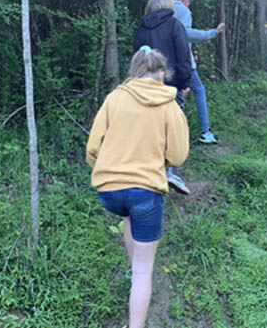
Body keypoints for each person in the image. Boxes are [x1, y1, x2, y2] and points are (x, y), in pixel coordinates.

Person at [86, 46, 189, 328]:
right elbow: (178, 156)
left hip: (109, 191)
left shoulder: (115, 98)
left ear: (134, 72)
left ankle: (133, 276)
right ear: (162, 74)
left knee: (130, 218)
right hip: (145, 190)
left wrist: (107, 168)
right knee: (146, 270)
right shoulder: (169, 104)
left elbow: (93, 148)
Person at [133, 0, 192, 194]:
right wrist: (184, 82)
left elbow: (137, 60)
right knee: (175, 128)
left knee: (152, 128)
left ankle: (151, 171)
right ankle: (172, 172)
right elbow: (184, 56)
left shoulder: (140, 29)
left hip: (145, 87)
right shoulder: (174, 25)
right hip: (171, 85)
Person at [170, 0, 225, 144]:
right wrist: (213, 32)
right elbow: (186, 34)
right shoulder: (183, 10)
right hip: (184, 61)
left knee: (172, 96)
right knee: (199, 90)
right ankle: (204, 131)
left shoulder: (162, 9)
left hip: (164, 61)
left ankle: (168, 134)